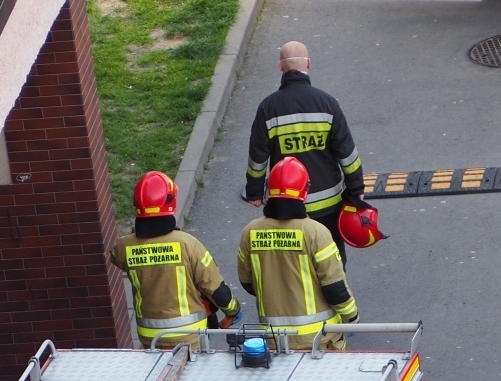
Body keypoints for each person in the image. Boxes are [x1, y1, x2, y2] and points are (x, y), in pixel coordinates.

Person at [245, 41, 365, 261]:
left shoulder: (268, 108)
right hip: (329, 205)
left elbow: (258, 158)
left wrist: (254, 192)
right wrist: (356, 189)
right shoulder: (327, 104)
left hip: (286, 205)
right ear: (308, 64)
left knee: (294, 265)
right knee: (331, 263)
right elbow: (347, 154)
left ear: (280, 67)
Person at [237, 157, 359, 351]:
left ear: (269, 189)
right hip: (320, 339)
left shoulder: (250, 232)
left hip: (274, 339)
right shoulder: (315, 233)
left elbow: (248, 283)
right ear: (305, 191)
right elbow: (335, 287)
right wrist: (352, 317)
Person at [110, 171, 240, 347]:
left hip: (149, 337)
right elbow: (213, 286)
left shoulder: (124, 246)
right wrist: (233, 310)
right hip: (190, 336)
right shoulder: (188, 244)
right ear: (171, 202)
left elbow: (116, 258)